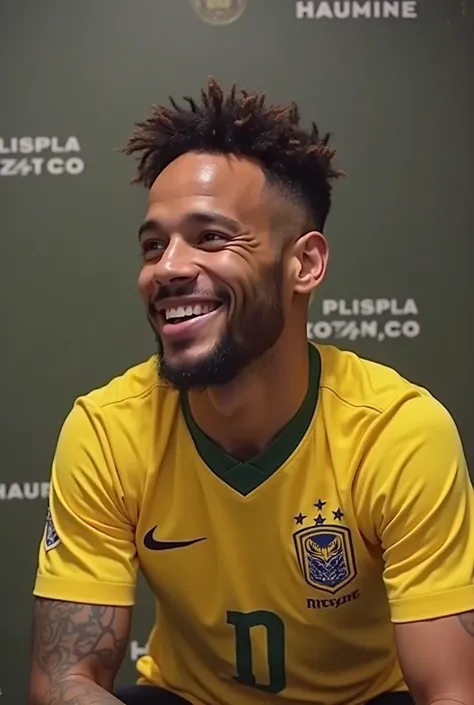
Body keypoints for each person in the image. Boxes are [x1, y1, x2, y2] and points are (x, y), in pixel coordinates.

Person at [28, 78, 474, 705]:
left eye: (211, 237)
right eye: (154, 245)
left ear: (305, 264)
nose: (168, 267)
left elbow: (450, 692)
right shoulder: (107, 430)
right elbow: (65, 681)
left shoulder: (397, 432)